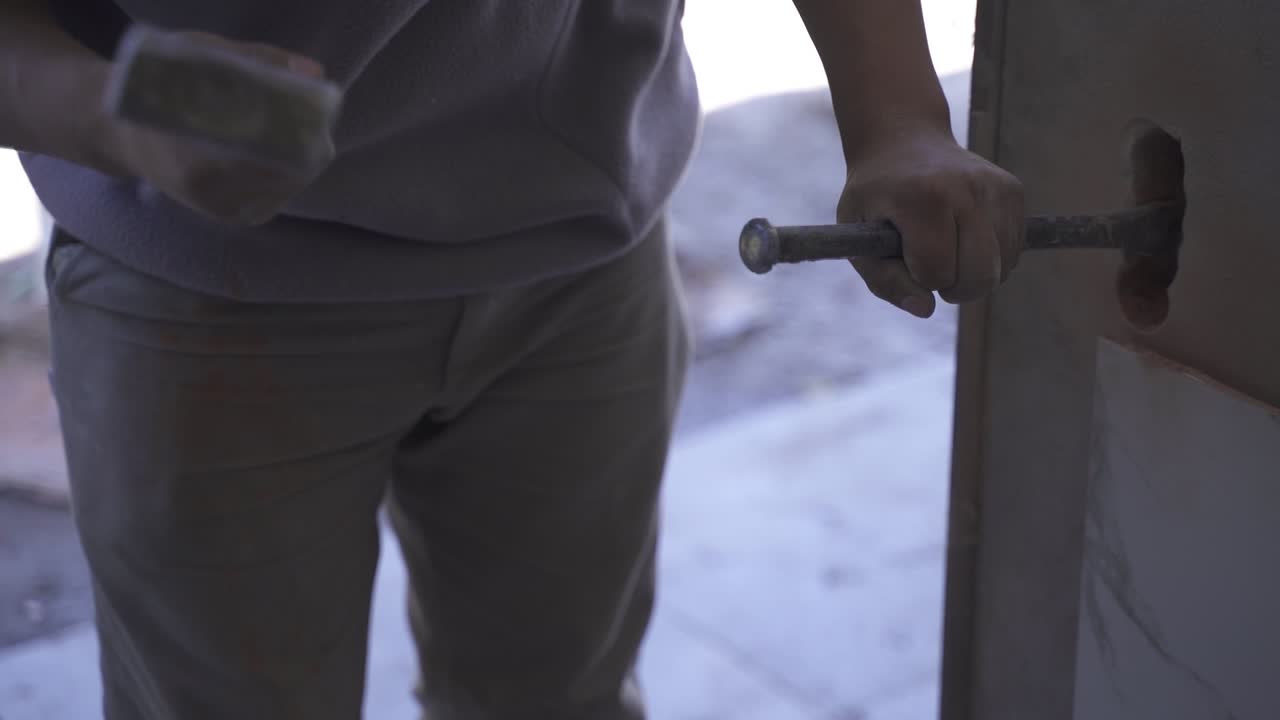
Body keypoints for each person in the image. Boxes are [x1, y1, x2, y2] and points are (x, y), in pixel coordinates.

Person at [0, 0, 1024, 717]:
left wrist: (896, 117)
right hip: (208, 292)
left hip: (579, 259)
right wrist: (113, 114)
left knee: (557, 702)